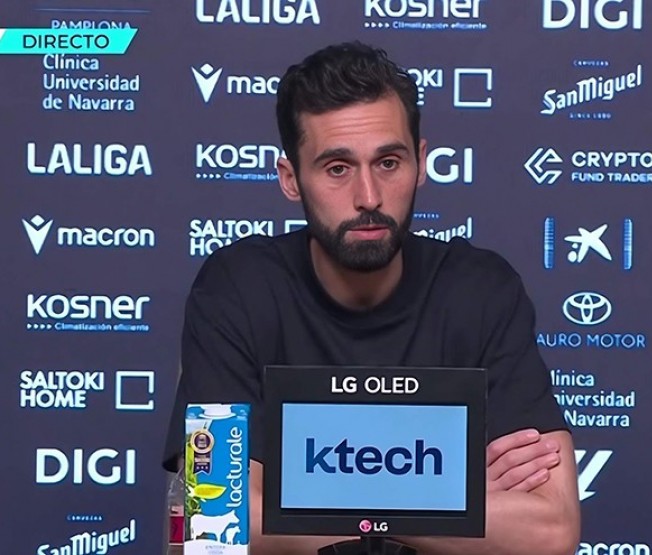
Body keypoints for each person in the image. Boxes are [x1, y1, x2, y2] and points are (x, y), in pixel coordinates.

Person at [163, 41, 580, 555]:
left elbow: (550, 532)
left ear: (421, 163)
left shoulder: (481, 291)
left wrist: (292, 494)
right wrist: (453, 498)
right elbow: (209, 524)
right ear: (291, 179)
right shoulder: (238, 289)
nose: (368, 197)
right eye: (337, 168)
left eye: (388, 162)